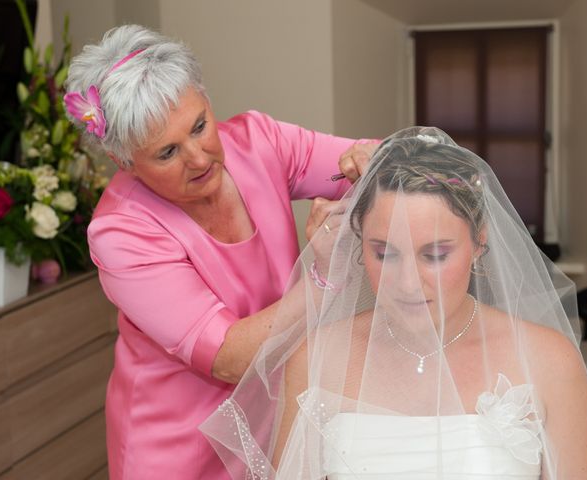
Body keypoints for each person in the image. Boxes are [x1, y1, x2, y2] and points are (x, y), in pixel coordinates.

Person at [201, 127, 587, 479]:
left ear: (479, 241)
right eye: (385, 252)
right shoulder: (316, 360)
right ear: (358, 242)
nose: (407, 282)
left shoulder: (548, 360)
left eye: (435, 255)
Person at [63, 25, 377, 479]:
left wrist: (371, 164)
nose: (199, 158)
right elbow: (229, 359)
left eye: (199, 126)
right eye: (168, 151)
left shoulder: (259, 142)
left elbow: (371, 158)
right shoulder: (121, 233)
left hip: (270, 417)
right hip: (177, 445)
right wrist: (320, 275)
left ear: (208, 100)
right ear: (125, 162)